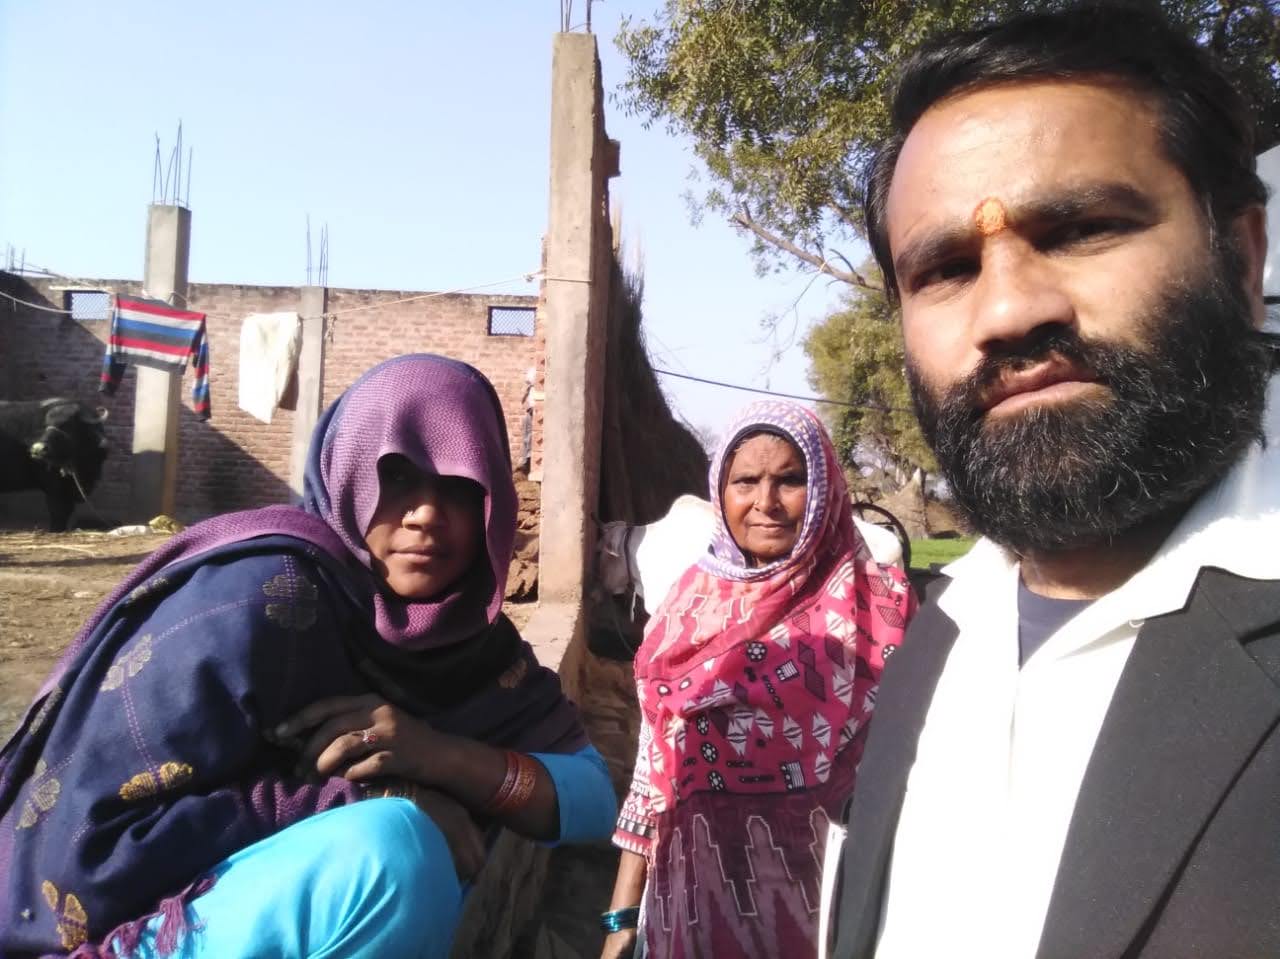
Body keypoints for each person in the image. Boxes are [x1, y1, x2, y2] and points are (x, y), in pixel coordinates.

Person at [829, 5, 1278, 958]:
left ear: (1242, 259)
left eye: (1080, 229)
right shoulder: (938, 632)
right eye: (946, 268)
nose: (1007, 310)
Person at [0, 354, 617, 958]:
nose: (427, 515)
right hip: (116, 926)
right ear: (345, 473)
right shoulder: (257, 600)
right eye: (397, 476)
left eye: (459, 486)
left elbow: (591, 797)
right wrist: (370, 795)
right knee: (393, 854)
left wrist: (436, 755)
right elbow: (89, 843)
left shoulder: (472, 641)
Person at [602, 401, 914, 958]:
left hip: (833, 919)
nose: (765, 502)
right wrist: (621, 917)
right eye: (745, 481)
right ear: (720, 493)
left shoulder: (882, 610)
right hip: (690, 915)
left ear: (823, 487)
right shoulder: (685, 608)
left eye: (789, 480)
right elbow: (652, 772)